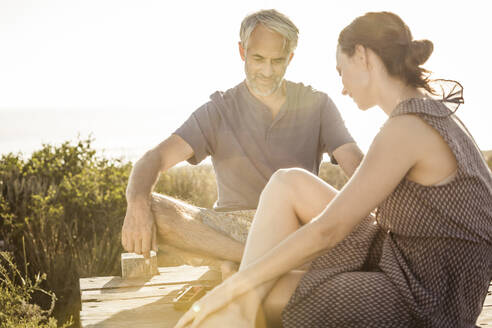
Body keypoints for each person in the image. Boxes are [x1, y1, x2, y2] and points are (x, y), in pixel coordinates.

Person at [175, 11, 492, 328]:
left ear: (363, 56)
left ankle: (235, 309)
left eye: (341, 71)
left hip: (425, 299)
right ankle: (237, 307)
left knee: (264, 296)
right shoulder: (426, 111)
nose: (342, 88)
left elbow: (328, 231)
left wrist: (232, 286)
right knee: (288, 182)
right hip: (407, 259)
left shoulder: (406, 128)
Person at [121, 9, 363, 264]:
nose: (267, 71)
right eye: (258, 58)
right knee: (154, 207)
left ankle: (244, 266)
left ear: (290, 58)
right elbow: (154, 158)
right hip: (232, 229)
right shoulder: (218, 110)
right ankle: (266, 264)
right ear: (242, 52)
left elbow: (355, 164)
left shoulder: (317, 104)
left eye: (277, 61)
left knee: (353, 228)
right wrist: (137, 204)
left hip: (297, 228)